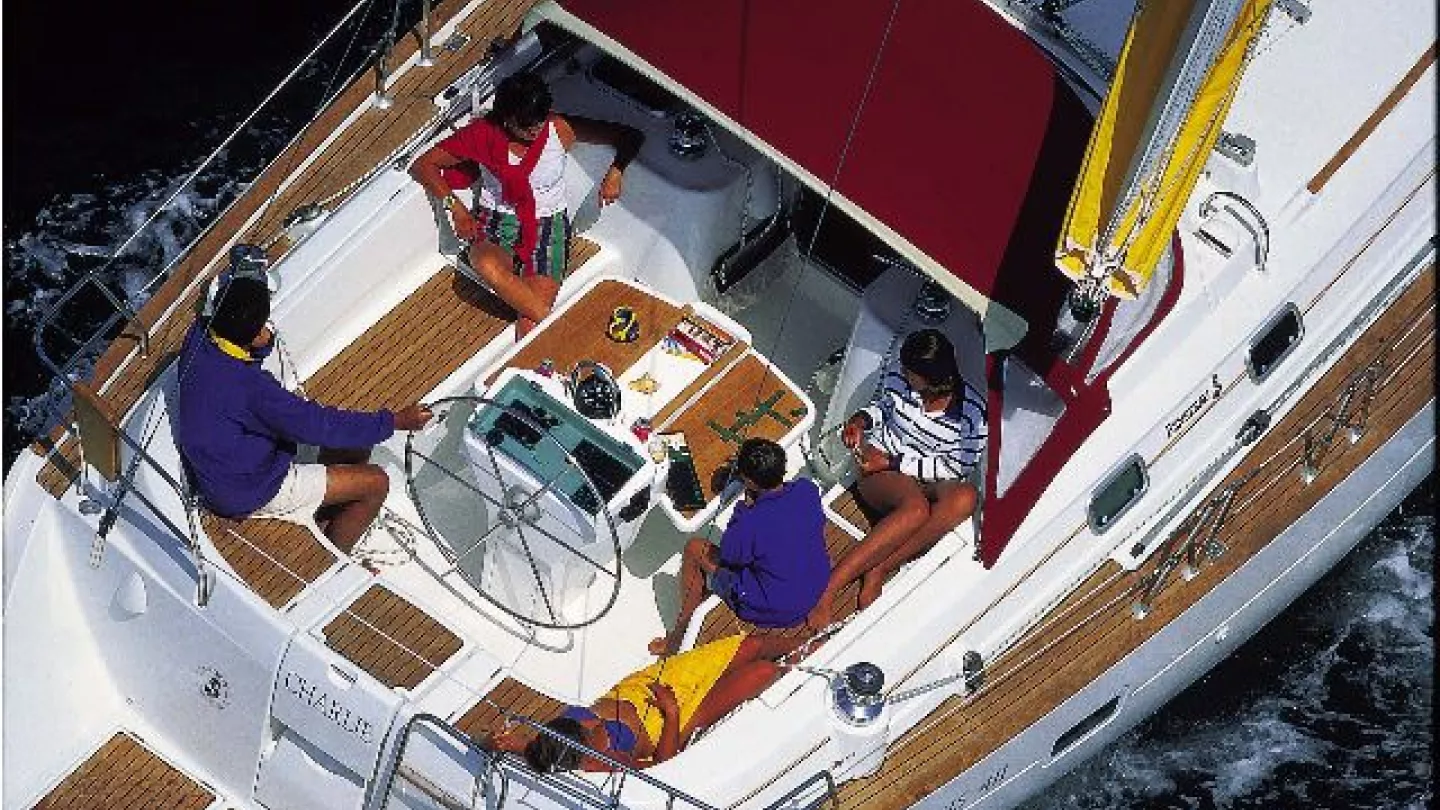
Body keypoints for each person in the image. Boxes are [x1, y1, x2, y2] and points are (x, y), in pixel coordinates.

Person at [175, 276, 432, 552]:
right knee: (377, 483)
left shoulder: (198, 336)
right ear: (255, 330)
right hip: (245, 489)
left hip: (231, 461)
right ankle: (334, 554)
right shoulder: (252, 390)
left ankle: (326, 514)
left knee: (356, 438)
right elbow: (318, 426)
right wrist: (396, 422)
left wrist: (258, 345)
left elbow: (233, 367)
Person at [409, 70, 644, 336]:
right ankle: (570, 331)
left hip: (548, 223)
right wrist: (457, 208)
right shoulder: (483, 134)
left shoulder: (559, 128)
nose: (535, 129)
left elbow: (630, 136)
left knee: (530, 321)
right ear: (507, 119)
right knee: (485, 263)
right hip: (497, 217)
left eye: (540, 120)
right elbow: (423, 165)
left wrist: (616, 172)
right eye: (526, 124)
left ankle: (543, 351)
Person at [807, 329, 985, 629]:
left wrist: (895, 462)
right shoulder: (898, 378)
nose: (901, 373)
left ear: (930, 377)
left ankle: (879, 567)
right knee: (916, 509)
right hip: (879, 468)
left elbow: (955, 466)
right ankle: (829, 587)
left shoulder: (974, 414)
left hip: (906, 467)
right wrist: (859, 422)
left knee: (965, 497)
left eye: (909, 371)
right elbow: (881, 408)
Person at [490, 634, 781, 772]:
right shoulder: (599, 762)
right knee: (762, 672)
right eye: (591, 736)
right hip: (673, 719)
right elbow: (662, 764)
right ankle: (803, 659)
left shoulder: (549, 742)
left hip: (645, 686)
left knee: (752, 644)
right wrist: (671, 711)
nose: (596, 727)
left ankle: (813, 637)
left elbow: (509, 745)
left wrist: (495, 743)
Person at [649, 437, 829, 657]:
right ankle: (702, 597)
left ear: (750, 482)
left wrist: (744, 508)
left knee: (695, 549)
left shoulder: (750, 522)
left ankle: (678, 637)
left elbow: (730, 557)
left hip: (775, 609)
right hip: (817, 587)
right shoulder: (807, 489)